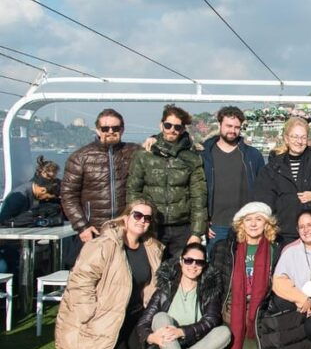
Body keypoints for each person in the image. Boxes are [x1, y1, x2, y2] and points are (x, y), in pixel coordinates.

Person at [55, 200, 164, 349]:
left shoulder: (152, 248)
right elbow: (80, 281)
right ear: (126, 218)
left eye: (147, 218)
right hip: (104, 313)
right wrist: (89, 312)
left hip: (135, 314)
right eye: (138, 215)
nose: (142, 220)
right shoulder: (103, 244)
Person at [131, 244, 229, 349]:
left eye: (199, 262)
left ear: (204, 265)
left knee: (224, 332)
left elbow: (211, 320)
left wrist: (182, 332)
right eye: (189, 260)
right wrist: (151, 337)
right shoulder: (165, 287)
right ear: (181, 261)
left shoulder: (209, 288)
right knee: (160, 317)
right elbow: (144, 323)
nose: (193, 266)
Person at [61, 108, 141, 266]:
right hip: (94, 231)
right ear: (97, 129)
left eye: (115, 128)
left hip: (126, 229)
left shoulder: (135, 152)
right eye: (105, 128)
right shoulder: (80, 157)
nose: (110, 131)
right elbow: (68, 195)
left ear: (122, 129)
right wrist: (82, 226)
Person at [127, 104, 207, 260]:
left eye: (177, 127)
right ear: (161, 125)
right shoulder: (144, 155)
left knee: (180, 271)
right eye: (168, 125)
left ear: (183, 129)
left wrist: (197, 232)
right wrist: (135, 221)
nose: (172, 130)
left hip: (182, 227)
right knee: (150, 272)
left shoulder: (192, 158)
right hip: (151, 225)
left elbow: (199, 197)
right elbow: (133, 191)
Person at [254, 117, 311, 247]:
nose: (299, 141)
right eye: (295, 137)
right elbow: (264, 202)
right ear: (286, 139)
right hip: (283, 237)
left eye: (303, 137)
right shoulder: (271, 169)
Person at [212, 202, 276, 349]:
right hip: (231, 310)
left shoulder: (274, 250)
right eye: (248, 220)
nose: (253, 224)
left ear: (267, 223)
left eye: (259, 219)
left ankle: (248, 340)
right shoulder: (228, 248)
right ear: (241, 223)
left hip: (257, 315)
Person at [200, 106, 265, 262]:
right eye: (229, 126)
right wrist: (203, 221)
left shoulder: (252, 156)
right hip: (216, 226)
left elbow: (263, 189)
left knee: (246, 271)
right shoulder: (204, 154)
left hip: (246, 225)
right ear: (220, 125)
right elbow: (196, 190)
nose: (233, 131)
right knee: (216, 273)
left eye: (237, 127)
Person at [271, 209, 311, 348]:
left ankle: (306, 332)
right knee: (280, 301)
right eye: (301, 227)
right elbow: (278, 282)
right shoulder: (290, 250)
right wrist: (302, 299)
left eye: (310, 225)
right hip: (300, 302)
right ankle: (300, 332)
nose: (306, 230)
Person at [0, 159, 61, 274]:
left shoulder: (37, 191)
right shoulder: (19, 197)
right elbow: (3, 221)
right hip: (11, 241)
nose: (47, 199)